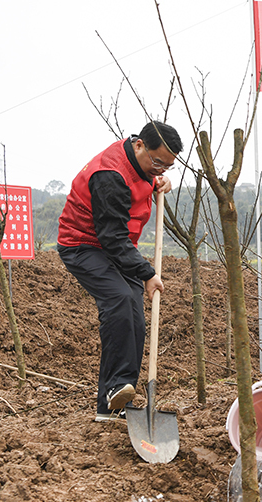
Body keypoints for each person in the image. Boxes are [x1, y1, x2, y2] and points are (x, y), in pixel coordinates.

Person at [57, 121, 182, 422]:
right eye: (157, 162)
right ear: (139, 144)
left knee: (135, 318)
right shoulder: (109, 175)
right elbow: (110, 236)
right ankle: (115, 389)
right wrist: (147, 272)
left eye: (168, 165)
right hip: (84, 245)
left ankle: (112, 401)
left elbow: (143, 178)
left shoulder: (142, 164)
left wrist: (159, 181)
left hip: (118, 248)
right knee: (120, 301)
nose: (160, 169)